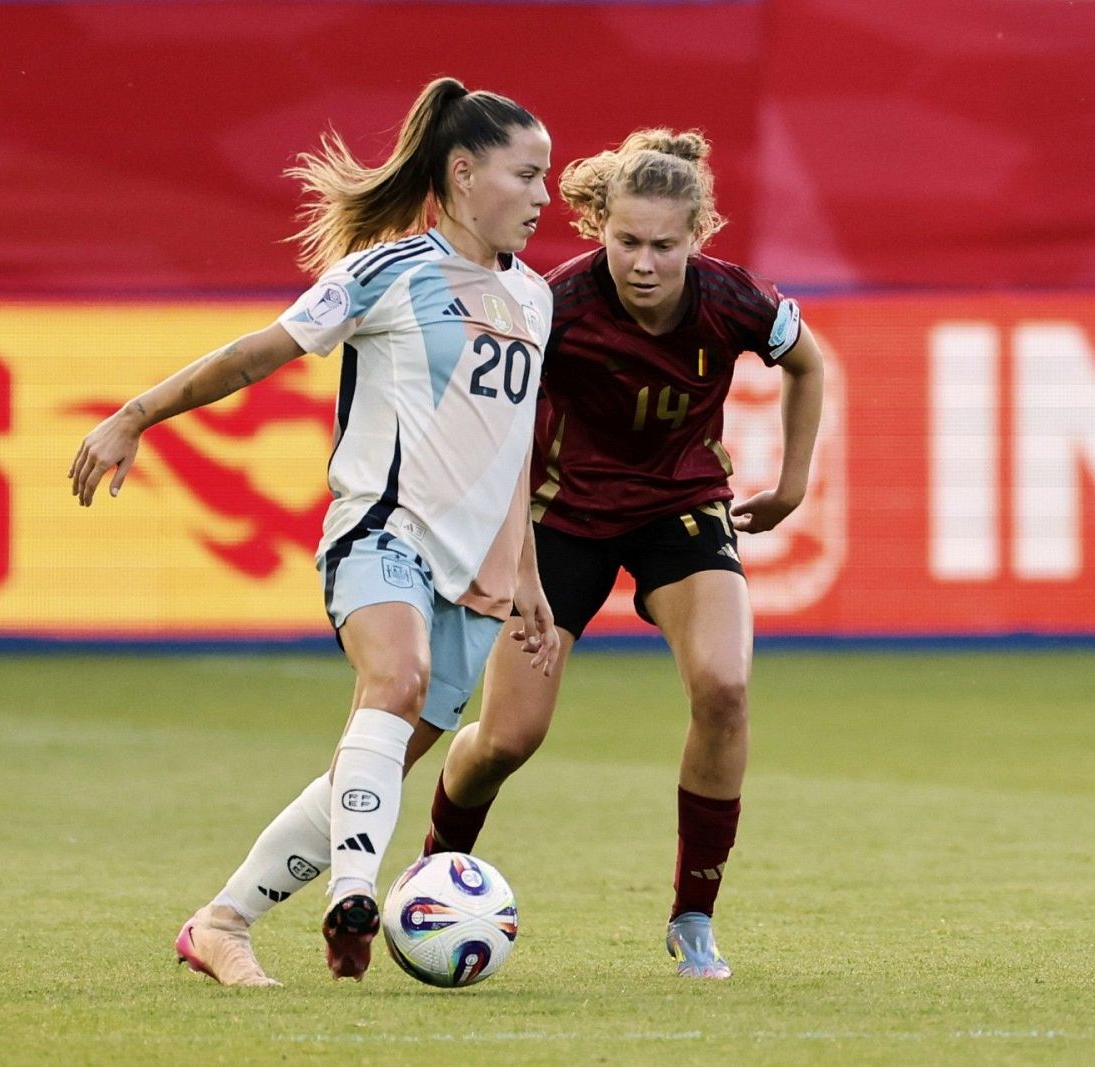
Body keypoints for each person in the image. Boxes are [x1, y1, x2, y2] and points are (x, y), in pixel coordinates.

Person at [68, 77, 562, 983]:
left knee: (363, 776)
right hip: (381, 531)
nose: (543, 197)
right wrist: (134, 414)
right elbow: (256, 352)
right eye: (527, 175)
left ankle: (220, 922)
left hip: (481, 577)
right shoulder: (389, 271)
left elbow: (514, 446)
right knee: (396, 677)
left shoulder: (534, 299)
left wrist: (527, 572)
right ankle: (355, 892)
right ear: (462, 172)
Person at [419, 128, 825, 978]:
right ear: (599, 225)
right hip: (561, 517)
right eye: (627, 241)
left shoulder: (734, 300)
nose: (643, 262)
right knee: (508, 738)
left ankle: (694, 918)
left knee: (726, 684)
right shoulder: (551, 305)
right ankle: (437, 866)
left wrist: (789, 485)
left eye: (664, 245)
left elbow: (806, 362)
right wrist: (511, 552)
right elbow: (492, 425)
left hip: (679, 506)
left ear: (698, 236)